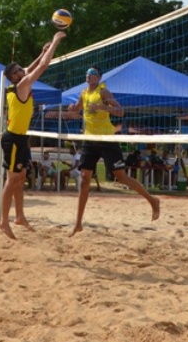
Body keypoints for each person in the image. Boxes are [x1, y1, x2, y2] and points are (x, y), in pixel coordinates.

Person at [65, 67, 160, 237]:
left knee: (121, 176)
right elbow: (77, 110)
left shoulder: (104, 92)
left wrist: (103, 107)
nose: (88, 75)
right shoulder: (84, 93)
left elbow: (120, 112)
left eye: (92, 73)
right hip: (90, 139)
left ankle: (152, 200)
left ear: (99, 77)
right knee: (84, 179)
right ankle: (78, 223)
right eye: (87, 73)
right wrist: (72, 109)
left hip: (107, 138)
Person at [0, 30, 67, 240]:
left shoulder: (15, 83)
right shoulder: (22, 85)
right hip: (13, 139)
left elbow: (33, 66)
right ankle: (3, 221)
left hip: (20, 139)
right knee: (11, 181)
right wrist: (54, 43)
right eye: (20, 70)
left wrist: (41, 51)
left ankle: (19, 217)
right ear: (15, 76)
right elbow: (43, 66)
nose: (24, 70)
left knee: (20, 179)